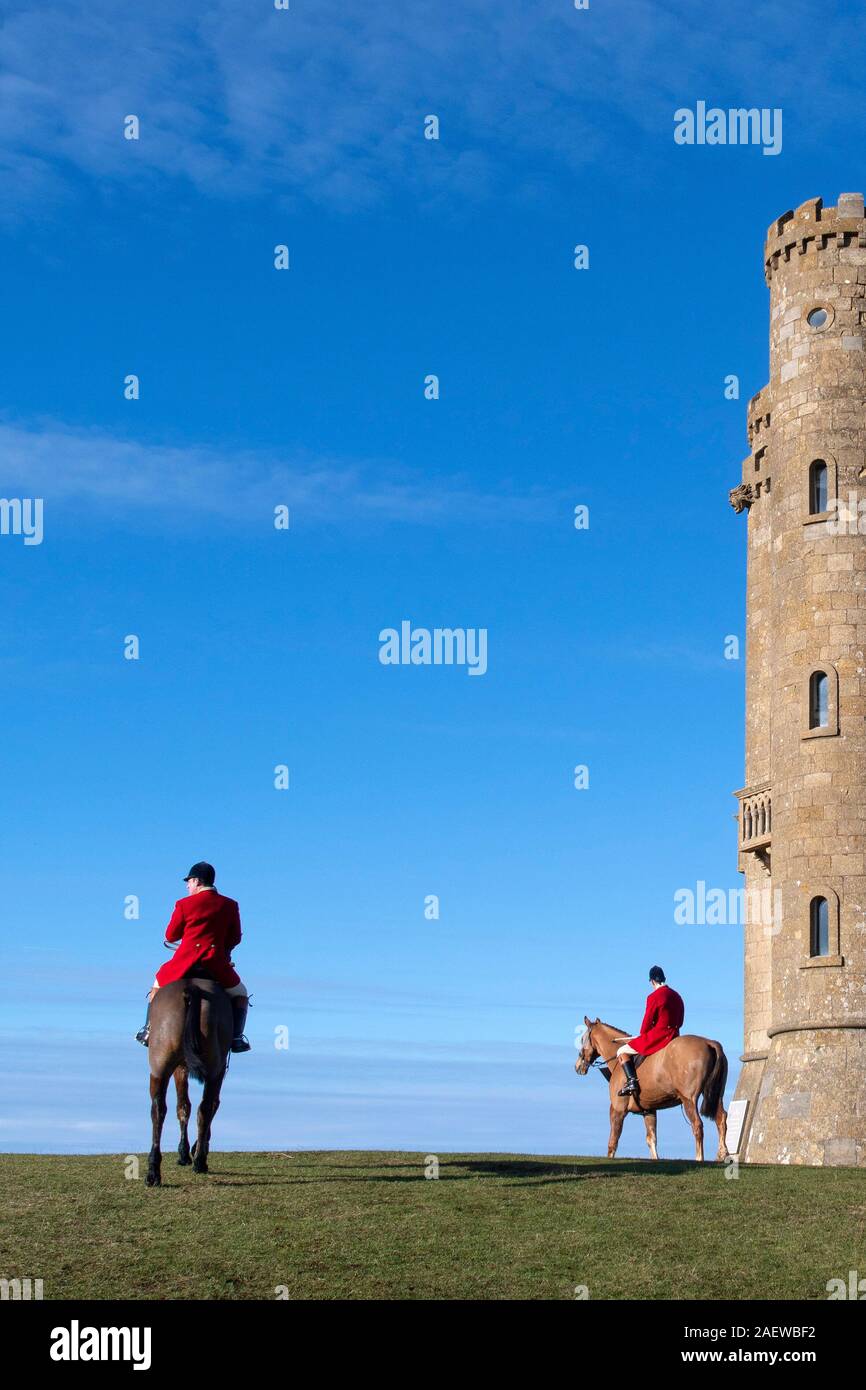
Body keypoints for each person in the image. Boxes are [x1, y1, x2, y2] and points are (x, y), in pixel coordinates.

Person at [135, 862, 251, 1052]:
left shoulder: (183, 904)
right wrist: (222, 950)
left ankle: (148, 1030)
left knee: (157, 984)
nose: (187, 886)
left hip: (184, 963)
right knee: (241, 993)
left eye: (188, 882)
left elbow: (171, 936)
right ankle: (237, 1038)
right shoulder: (230, 905)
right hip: (215, 964)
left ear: (196, 881)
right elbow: (235, 938)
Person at [614, 965, 683, 1097]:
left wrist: (642, 1035)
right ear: (664, 978)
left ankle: (632, 1081)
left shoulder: (654, 996)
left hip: (659, 1036)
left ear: (652, 981)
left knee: (621, 1051)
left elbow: (646, 1022)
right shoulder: (677, 995)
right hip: (675, 1034)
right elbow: (680, 1021)